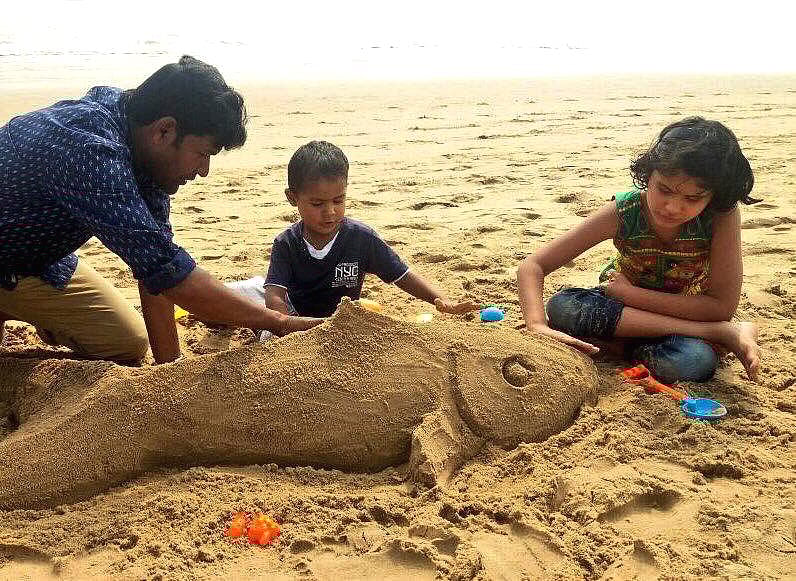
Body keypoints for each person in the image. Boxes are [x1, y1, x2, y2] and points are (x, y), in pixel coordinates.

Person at [0, 56, 321, 364]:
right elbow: (172, 277)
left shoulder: (138, 132)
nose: (204, 171)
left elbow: (157, 266)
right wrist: (279, 323)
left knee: (127, 342)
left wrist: (171, 369)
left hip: (39, 260)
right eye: (203, 154)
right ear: (165, 131)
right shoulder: (90, 150)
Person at [517, 117, 761, 384]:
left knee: (694, 361)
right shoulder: (626, 211)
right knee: (563, 307)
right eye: (664, 190)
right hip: (623, 311)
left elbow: (720, 307)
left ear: (714, 196)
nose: (672, 207)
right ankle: (717, 333)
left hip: (679, 309)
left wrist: (630, 294)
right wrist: (536, 324)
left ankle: (619, 344)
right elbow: (533, 266)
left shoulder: (719, 217)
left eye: (692, 198)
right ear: (648, 175)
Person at [228, 140, 479, 320]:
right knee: (239, 309)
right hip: (293, 314)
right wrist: (286, 325)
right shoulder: (287, 243)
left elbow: (402, 275)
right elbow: (275, 297)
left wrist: (440, 300)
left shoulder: (362, 239)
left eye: (338, 200)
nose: (330, 212)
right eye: (317, 204)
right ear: (293, 198)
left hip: (338, 321)